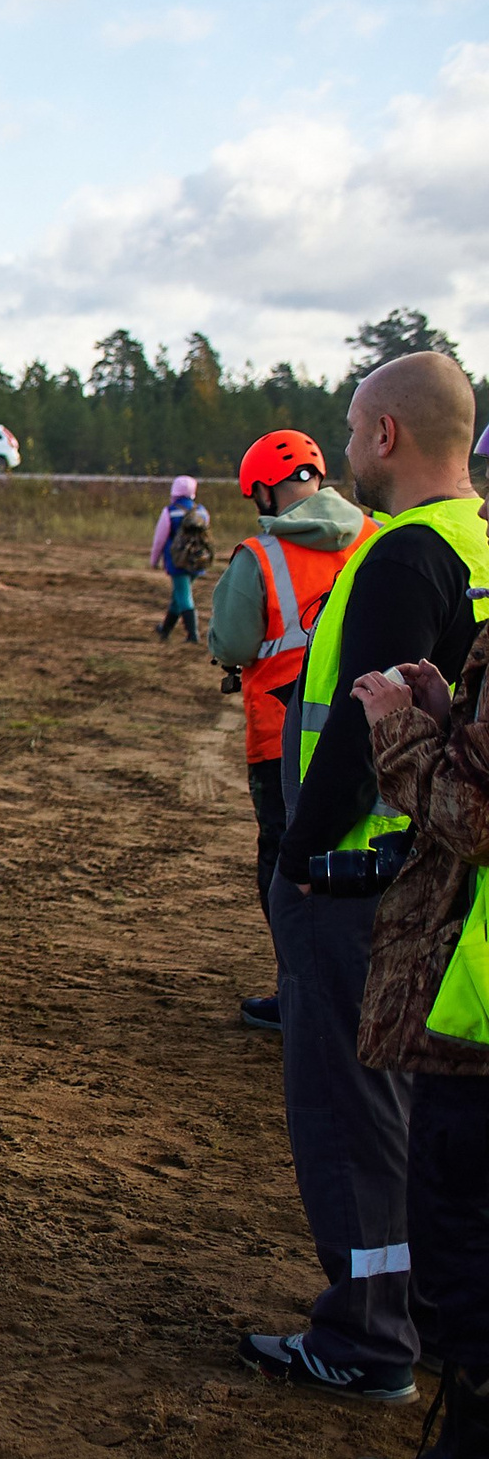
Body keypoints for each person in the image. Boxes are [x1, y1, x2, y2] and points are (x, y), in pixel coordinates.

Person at [242, 352, 489, 1405]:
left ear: (384, 437)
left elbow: (359, 715)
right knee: (419, 1118)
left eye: (350, 428)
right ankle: (426, 1317)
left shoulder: (402, 555)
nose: (344, 449)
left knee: (349, 1109)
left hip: (359, 876)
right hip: (442, 873)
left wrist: (299, 856)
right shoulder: (478, 540)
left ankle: (365, 1334)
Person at [345, 595, 489, 1459]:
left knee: (464, 1241)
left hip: (476, 1016)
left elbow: (476, 822)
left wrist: (400, 735)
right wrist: (449, 719)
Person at [208, 431, 375, 1032]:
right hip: (377, 734)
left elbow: (232, 643)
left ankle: (302, 994)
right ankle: (367, 993)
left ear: (264, 492)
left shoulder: (259, 555)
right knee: (370, 858)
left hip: (283, 738)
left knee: (286, 864)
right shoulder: (379, 538)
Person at [148, 476, 212, 642]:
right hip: (198, 561)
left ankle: (193, 635)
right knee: (179, 595)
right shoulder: (202, 512)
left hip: (177, 561)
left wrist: (154, 560)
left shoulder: (169, 512)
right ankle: (165, 630)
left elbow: (159, 540)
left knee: (183, 596)